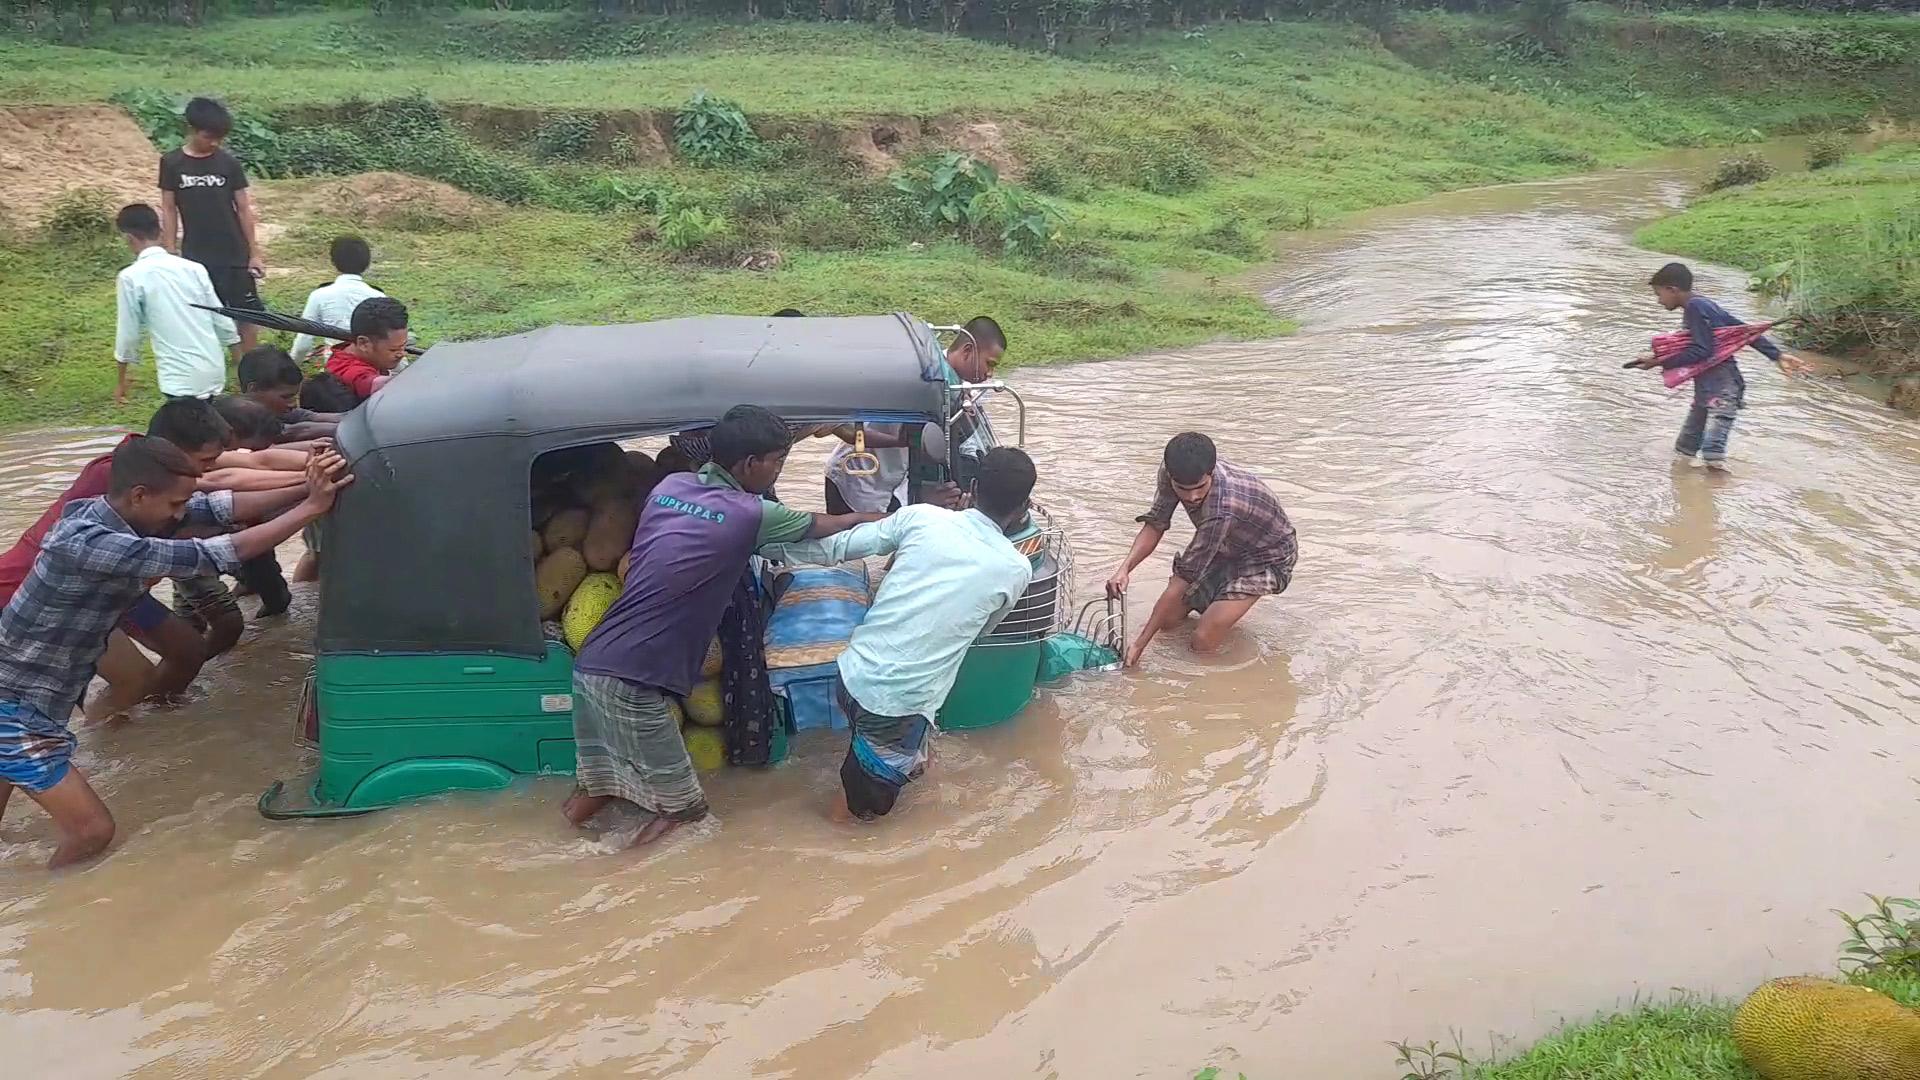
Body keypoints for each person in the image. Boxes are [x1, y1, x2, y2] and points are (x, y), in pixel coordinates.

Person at [0, 439, 349, 869]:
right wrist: (311, 508)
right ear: (139, 495)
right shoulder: (92, 542)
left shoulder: (104, 511)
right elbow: (211, 553)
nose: (181, 514)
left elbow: (219, 507)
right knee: (92, 831)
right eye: (175, 504)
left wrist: (307, 486)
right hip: (15, 706)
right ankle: (43, 919)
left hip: (28, 696)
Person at [564, 405, 882, 849]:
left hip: (592, 664)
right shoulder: (748, 512)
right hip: (635, 679)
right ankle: (614, 887)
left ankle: (565, 855)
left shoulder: (669, 487)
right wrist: (886, 519)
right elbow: (829, 525)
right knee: (686, 817)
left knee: (598, 786)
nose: (778, 472)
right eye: (777, 462)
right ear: (751, 464)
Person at [764, 447, 1037, 822]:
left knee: (902, 747)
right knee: (858, 815)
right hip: (897, 706)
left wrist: (764, 547)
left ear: (972, 487)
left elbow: (840, 546)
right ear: (1024, 507)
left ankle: (899, 764)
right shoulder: (1015, 568)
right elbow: (982, 629)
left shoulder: (922, 517)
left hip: (851, 674)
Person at [0, 400, 247, 719]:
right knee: (131, 678)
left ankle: (148, 732)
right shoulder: (118, 473)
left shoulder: (161, 481)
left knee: (188, 649)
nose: (207, 470)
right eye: (206, 460)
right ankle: (94, 745)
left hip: (118, 586)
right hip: (50, 593)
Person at [1107, 433, 1297, 667]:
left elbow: (1183, 579)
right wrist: (1124, 569)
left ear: (1212, 472)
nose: (1193, 496)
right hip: (1226, 546)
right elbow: (1156, 522)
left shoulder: (1223, 507)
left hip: (1267, 556)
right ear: (1171, 475)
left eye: (1200, 487)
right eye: (1183, 489)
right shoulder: (1170, 471)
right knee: (1167, 622)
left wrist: (1139, 644)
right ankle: (1222, 608)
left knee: (1202, 640)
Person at [1630, 262, 1810, 469]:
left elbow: (1702, 350)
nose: (1659, 301)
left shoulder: (1697, 307)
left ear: (1673, 289)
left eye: (1658, 294)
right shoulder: (1702, 305)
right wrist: (1777, 355)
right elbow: (1741, 331)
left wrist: (1659, 361)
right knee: (1684, 448)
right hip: (1707, 389)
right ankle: (1689, 489)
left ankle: (1718, 490)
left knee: (1712, 454)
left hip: (1722, 390)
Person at [158, 97, 264, 352]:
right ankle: (216, 358)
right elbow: (169, 209)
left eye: (219, 138)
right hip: (196, 255)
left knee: (245, 313)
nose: (214, 143)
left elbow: (243, 208)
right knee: (205, 311)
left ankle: (248, 367)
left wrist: (255, 253)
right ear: (192, 129)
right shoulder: (172, 163)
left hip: (234, 251)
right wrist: (170, 251)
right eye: (209, 136)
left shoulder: (228, 163)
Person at [112, 203, 239, 406]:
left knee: (188, 434)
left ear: (128, 238)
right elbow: (222, 320)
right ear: (160, 232)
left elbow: (128, 334)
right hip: (214, 371)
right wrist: (238, 364)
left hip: (178, 378)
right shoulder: (194, 268)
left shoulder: (130, 277)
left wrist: (121, 382)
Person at [289, 236, 390, 365]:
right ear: (367, 263)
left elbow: (304, 341)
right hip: (371, 369)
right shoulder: (379, 297)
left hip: (336, 367)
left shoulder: (319, 295)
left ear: (333, 261)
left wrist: (292, 366)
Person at [238, 346, 343, 442]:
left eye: (294, 396)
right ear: (253, 389)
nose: (293, 404)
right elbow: (298, 431)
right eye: (286, 397)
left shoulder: (275, 409)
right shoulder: (239, 422)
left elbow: (311, 417)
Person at [325, 297, 410, 401]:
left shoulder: (364, 354)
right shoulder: (346, 371)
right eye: (393, 350)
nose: (402, 354)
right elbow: (371, 382)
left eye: (403, 345)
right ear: (363, 343)